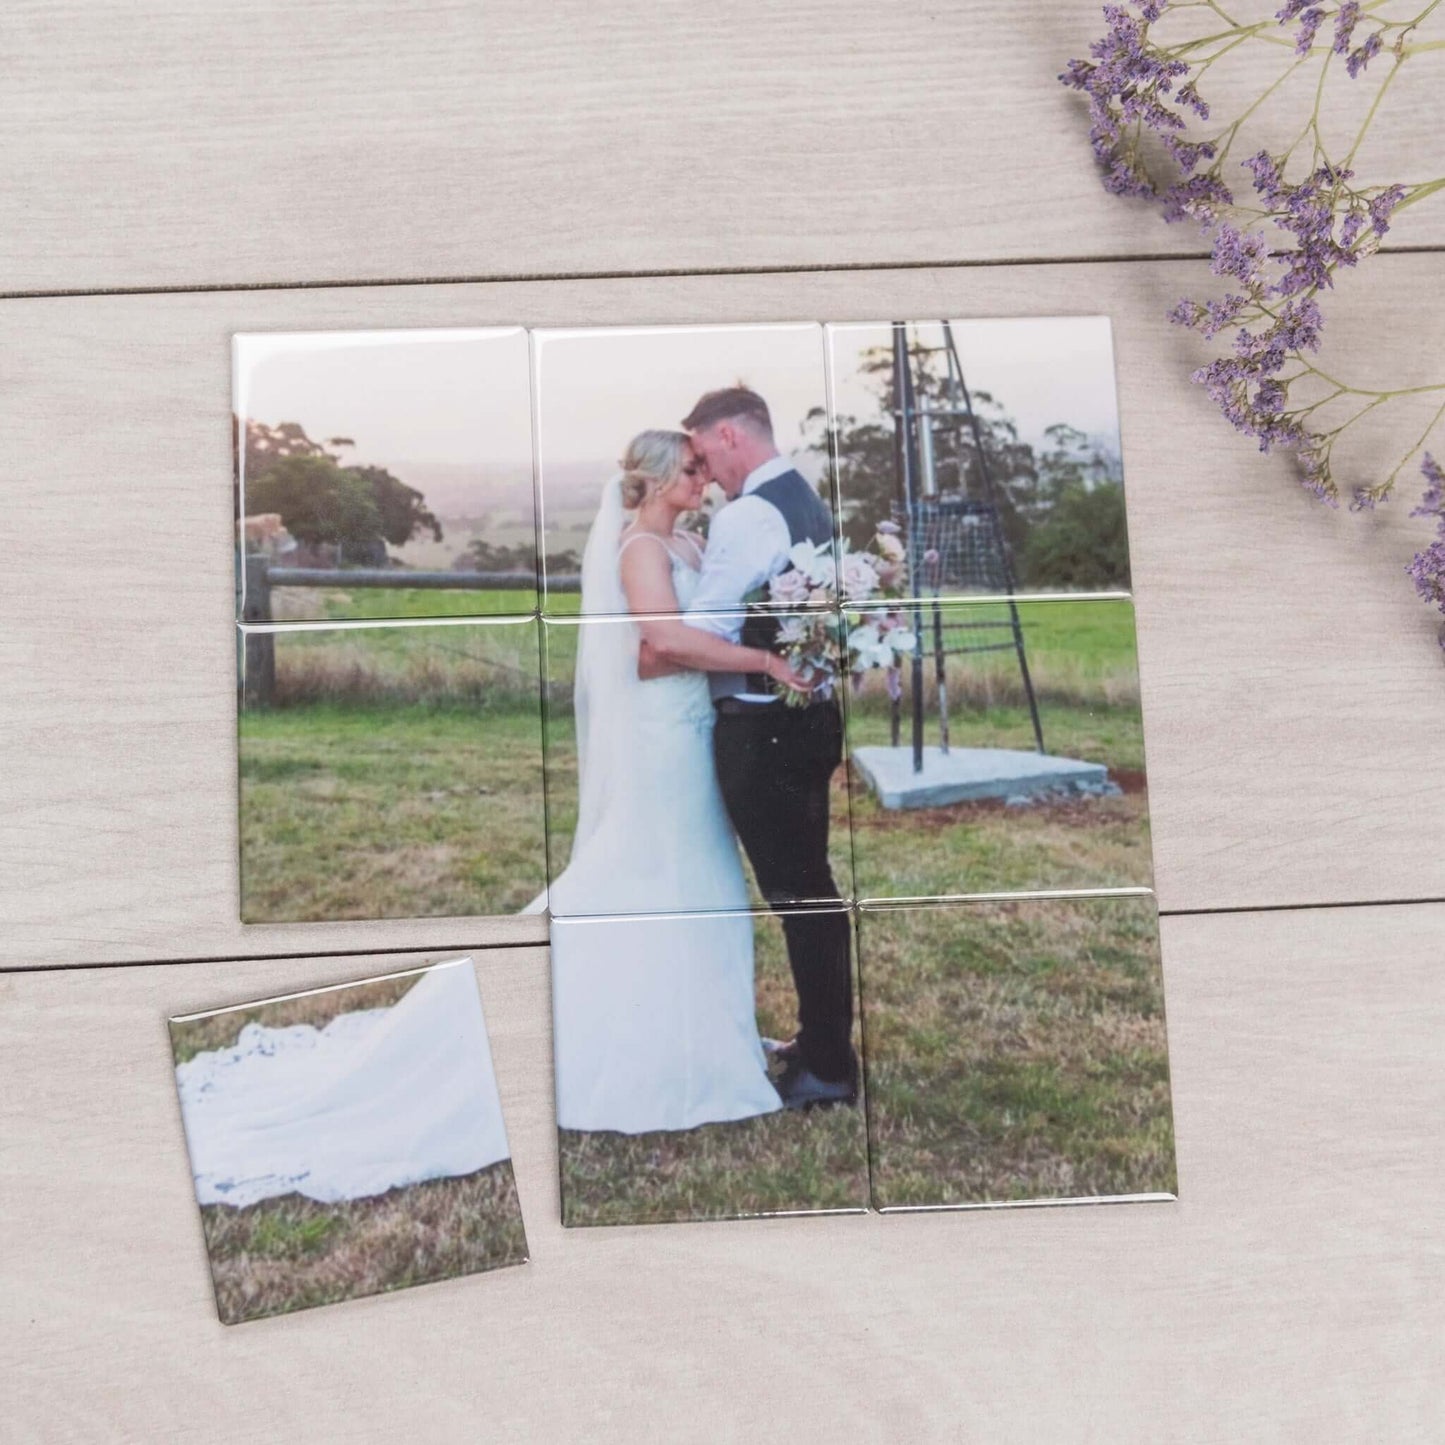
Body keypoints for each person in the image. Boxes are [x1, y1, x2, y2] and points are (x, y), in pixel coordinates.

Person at [547, 429, 809, 1133]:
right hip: (662, 738)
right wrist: (763, 663)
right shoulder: (638, 550)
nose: (705, 479)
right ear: (659, 479)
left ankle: (710, 1029)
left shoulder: (692, 546)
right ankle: (650, 1039)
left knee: (710, 878)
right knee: (667, 873)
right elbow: (659, 644)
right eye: (691, 469)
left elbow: (713, 619)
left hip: (700, 731)